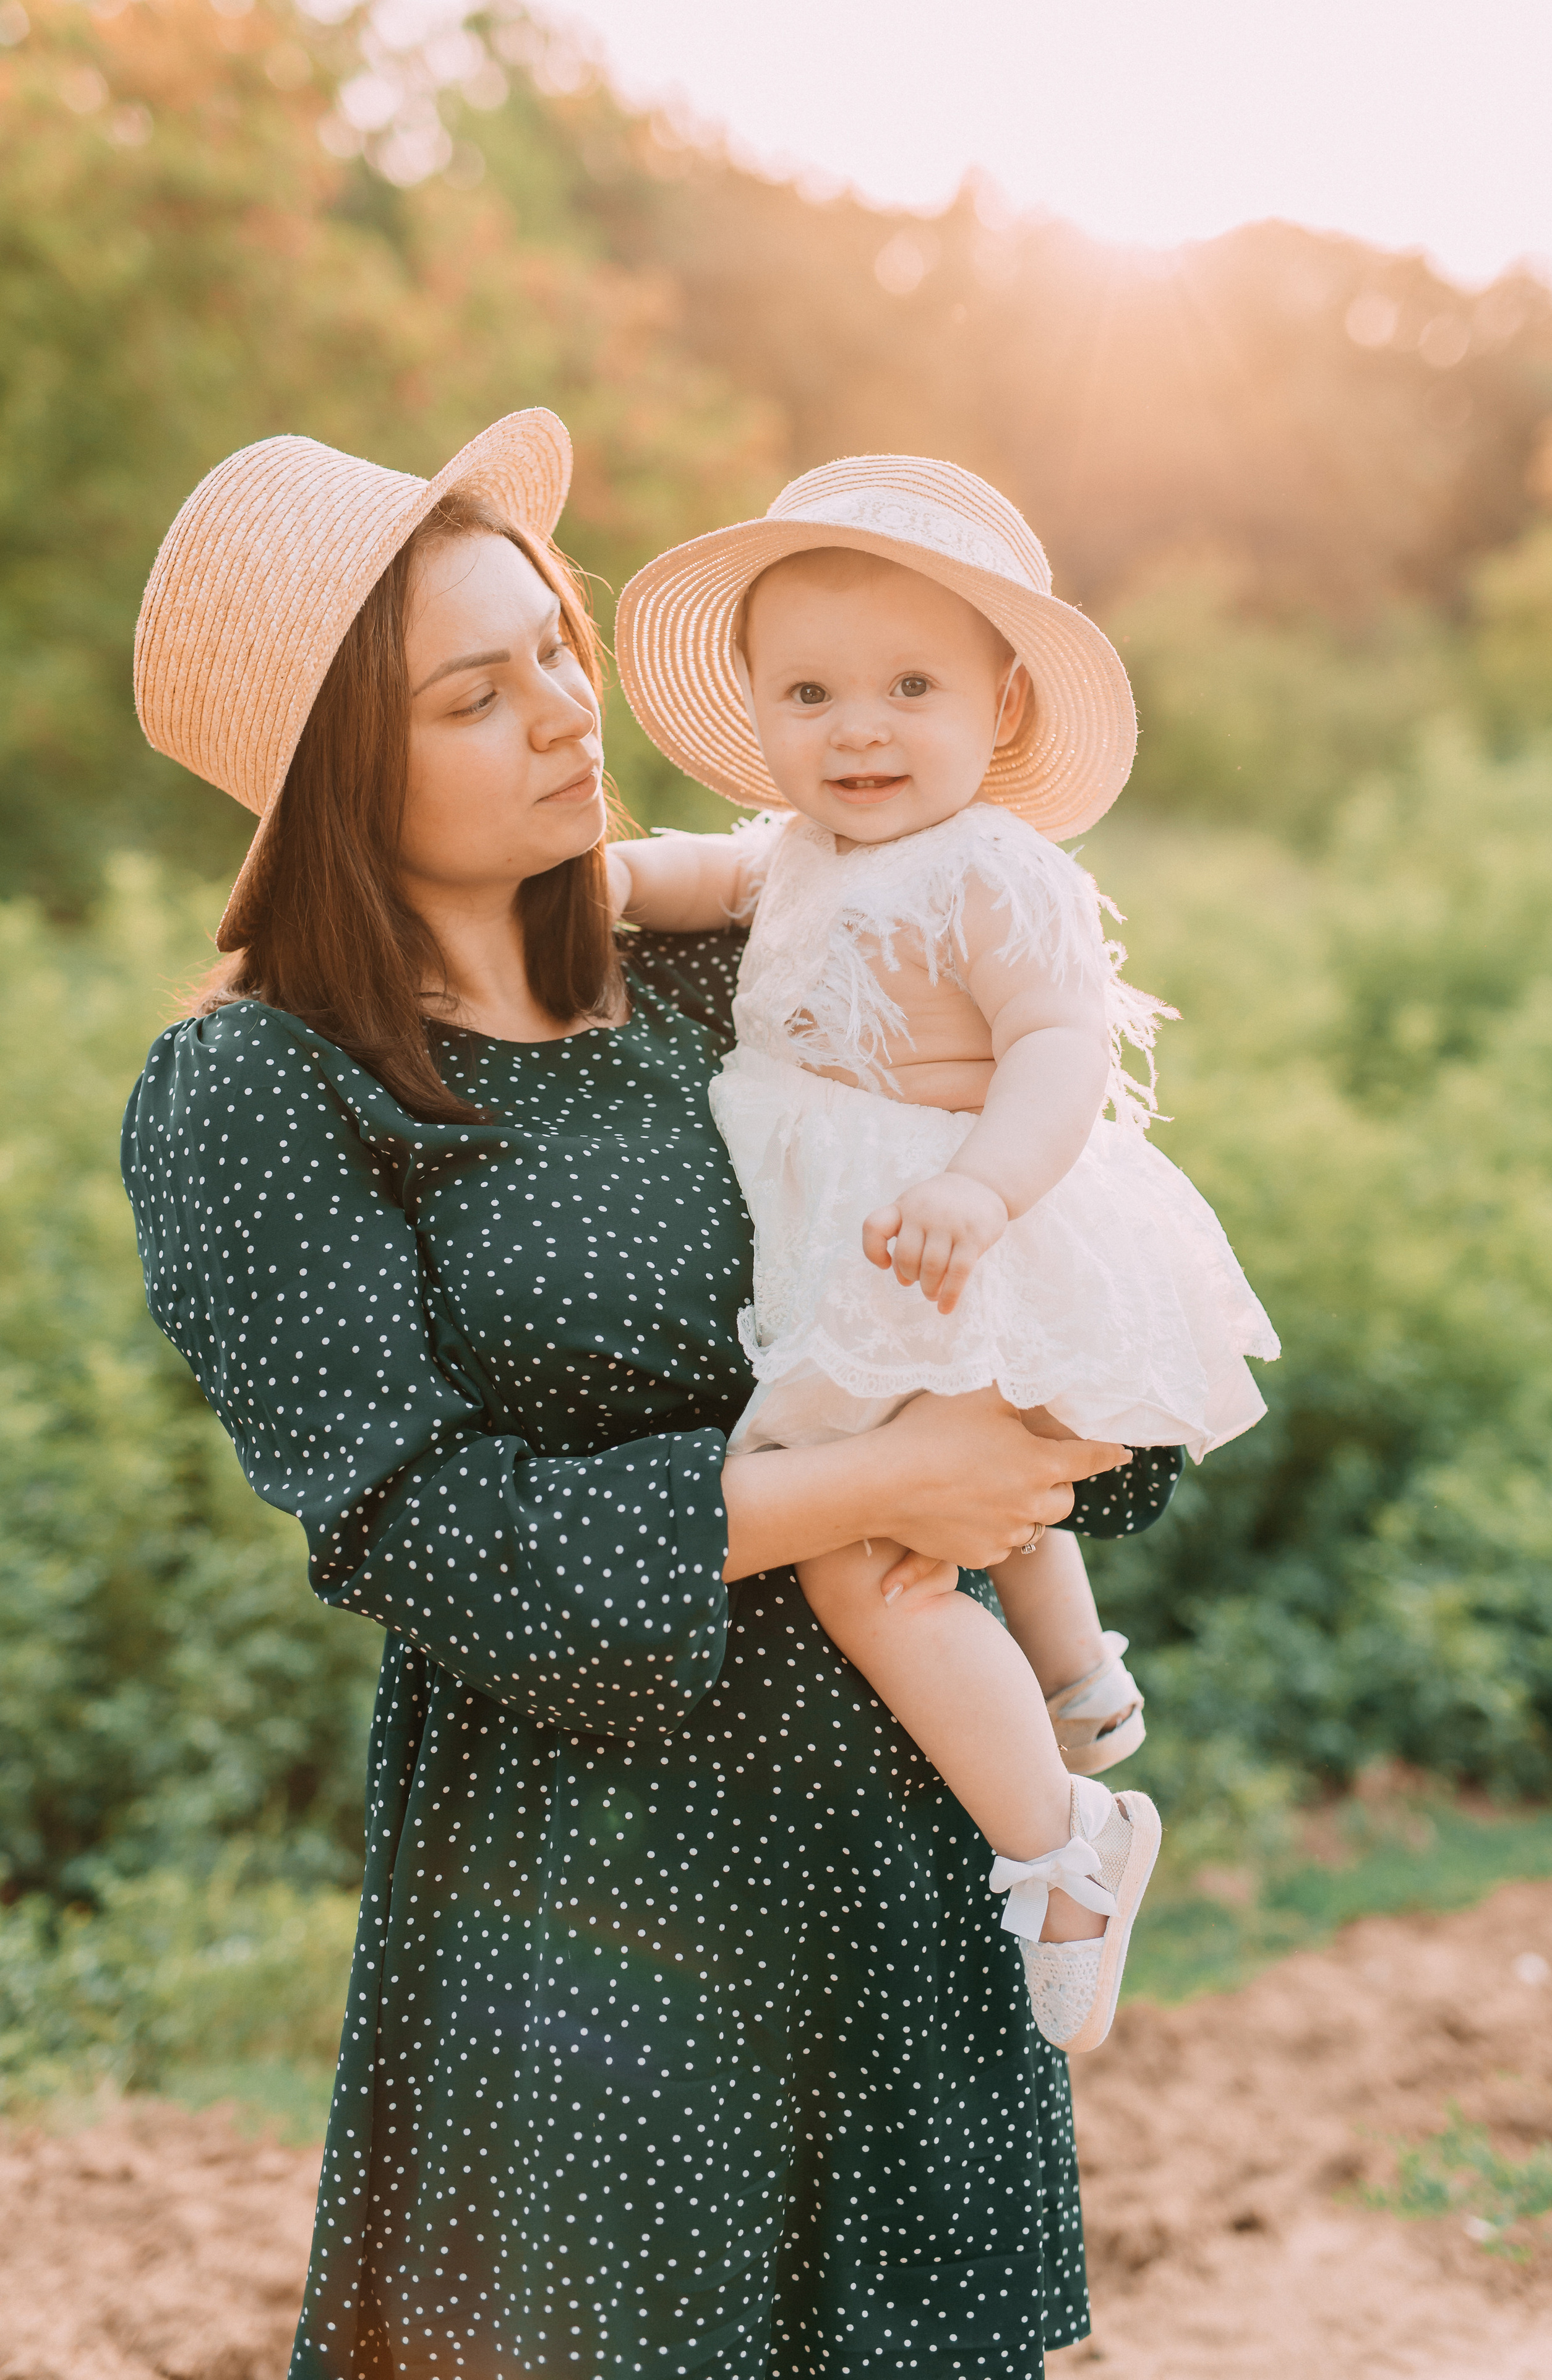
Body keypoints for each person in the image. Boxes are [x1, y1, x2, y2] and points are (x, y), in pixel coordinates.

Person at [122, 413, 1184, 2379]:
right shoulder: (266, 1093)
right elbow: (413, 1526)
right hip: (591, 1906)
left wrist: (1032, 1444)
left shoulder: (733, 973)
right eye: (475, 691)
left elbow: (1043, 1275)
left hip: (896, 1857)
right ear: (340, 776)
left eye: (553, 645)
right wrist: (882, 1480)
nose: (562, 711)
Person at [614, 456, 1279, 2055]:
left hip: (949, 1231)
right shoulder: (796, 854)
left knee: (868, 1557)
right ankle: (1078, 1673)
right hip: (879, 1252)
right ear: (763, 715)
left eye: (911, 686)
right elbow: (703, 876)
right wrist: (605, 879)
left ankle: (1062, 1847)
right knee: (966, 1465)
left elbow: (1058, 1042)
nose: (859, 728)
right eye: (813, 691)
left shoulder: (994, 867)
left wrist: (983, 1185)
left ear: (1004, 705)